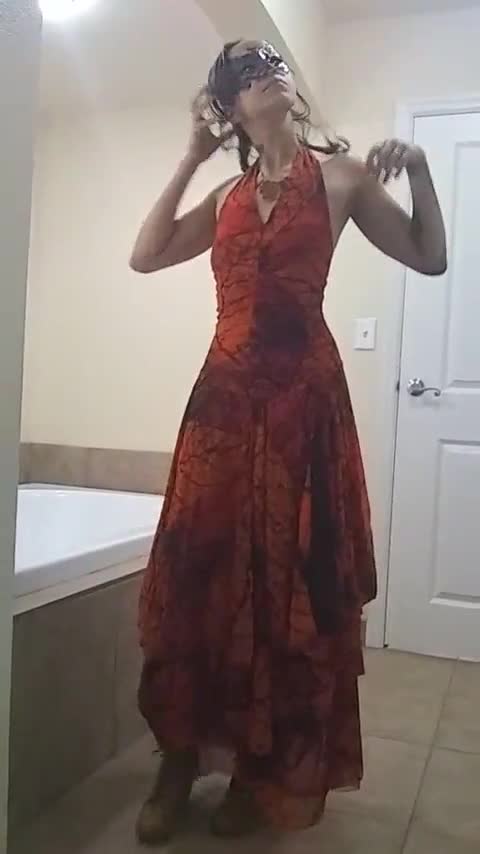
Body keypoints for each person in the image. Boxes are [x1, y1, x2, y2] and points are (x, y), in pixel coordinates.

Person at [130, 39, 447, 845]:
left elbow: (430, 257)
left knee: (285, 586)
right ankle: (177, 760)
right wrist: (191, 155)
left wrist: (420, 171)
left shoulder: (342, 179)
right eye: (244, 73)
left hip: (306, 407)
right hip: (222, 411)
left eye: (269, 61)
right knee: (196, 579)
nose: (264, 72)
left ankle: (258, 770)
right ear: (232, 107)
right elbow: (145, 255)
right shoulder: (227, 196)